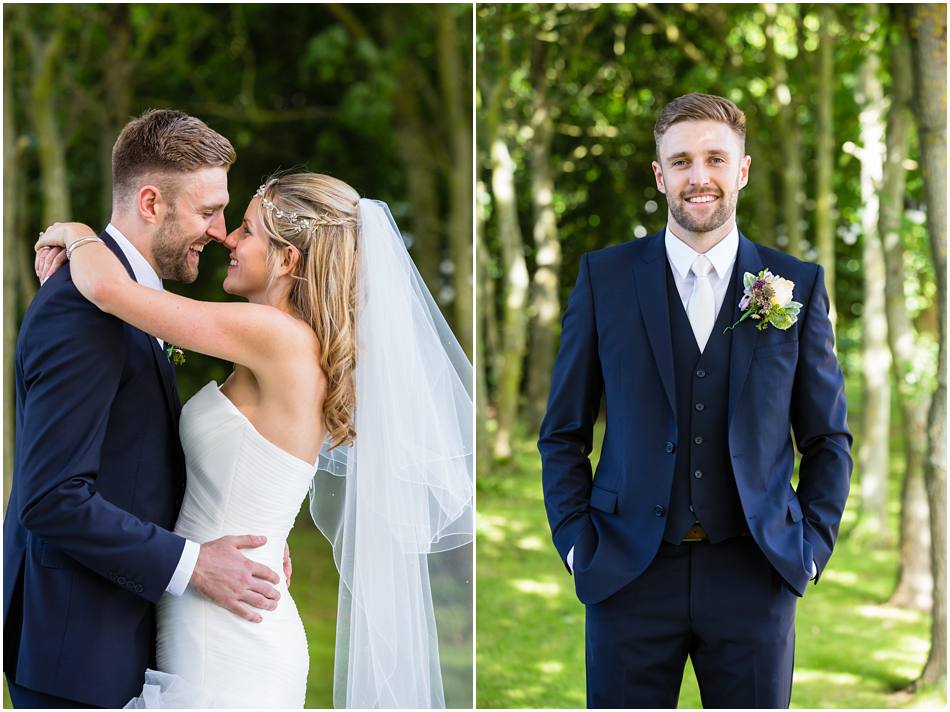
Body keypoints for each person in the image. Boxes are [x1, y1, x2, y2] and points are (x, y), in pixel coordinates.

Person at [29, 122, 473, 706]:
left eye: (246, 228)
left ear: (287, 258)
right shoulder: (283, 341)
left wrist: (77, 232)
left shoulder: (275, 337)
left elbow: (114, 294)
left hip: (227, 633)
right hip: (217, 605)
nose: (227, 238)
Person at [538, 93, 852, 708]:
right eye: (681, 162)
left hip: (755, 573)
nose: (699, 177)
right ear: (660, 176)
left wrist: (810, 549)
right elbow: (563, 432)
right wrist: (577, 544)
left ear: (742, 170)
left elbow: (826, 438)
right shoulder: (605, 278)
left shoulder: (798, 285)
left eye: (715, 158)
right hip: (626, 570)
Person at [4, 110, 286, 709]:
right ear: (153, 203)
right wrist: (196, 564)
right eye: (208, 211)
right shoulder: (80, 313)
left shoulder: (132, 300)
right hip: (76, 655)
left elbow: (133, 461)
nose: (220, 231)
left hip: (124, 640)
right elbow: (51, 497)